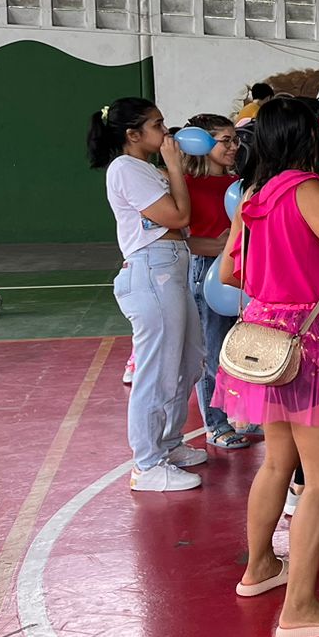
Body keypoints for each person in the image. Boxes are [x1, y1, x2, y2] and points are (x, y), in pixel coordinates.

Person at [220, 96, 319, 637]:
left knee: (276, 464)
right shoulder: (309, 190)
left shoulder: (254, 193)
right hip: (313, 342)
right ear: (306, 136)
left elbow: (229, 273)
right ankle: (301, 609)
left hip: (266, 339)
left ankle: (260, 568)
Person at [88, 99, 206, 492]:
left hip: (172, 265)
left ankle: (168, 443)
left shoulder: (147, 169)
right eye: (157, 125)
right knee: (157, 369)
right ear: (132, 135)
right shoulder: (125, 168)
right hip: (152, 270)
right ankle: (147, 463)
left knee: (189, 360)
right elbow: (178, 217)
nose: (166, 132)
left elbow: (182, 221)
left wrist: (171, 169)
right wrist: (174, 166)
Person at [182, 113, 252, 451]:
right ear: (202, 144)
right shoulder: (186, 185)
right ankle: (216, 423)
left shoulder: (239, 183)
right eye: (225, 141)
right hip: (207, 272)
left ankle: (246, 414)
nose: (233, 146)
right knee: (213, 350)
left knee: (243, 347)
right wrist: (222, 246)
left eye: (234, 139)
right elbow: (185, 240)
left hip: (244, 271)